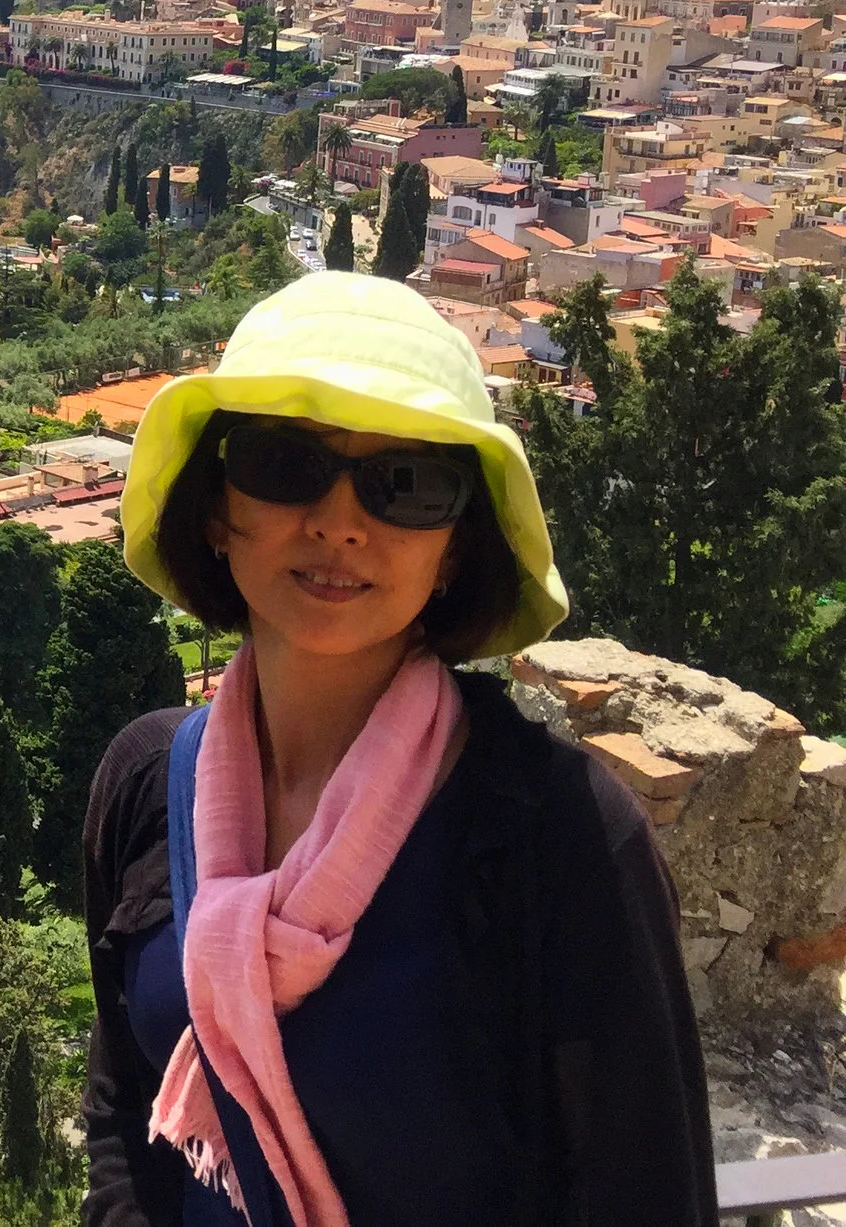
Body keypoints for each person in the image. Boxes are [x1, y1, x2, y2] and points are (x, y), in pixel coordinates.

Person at [80, 272, 714, 1227]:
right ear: (217, 509)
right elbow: (127, 1107)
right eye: (288, 465)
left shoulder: (561, 844)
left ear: (456, 548)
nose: (340, 522)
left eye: (407, 485)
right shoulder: (143, 782)